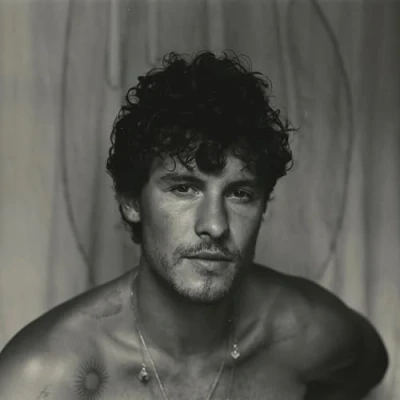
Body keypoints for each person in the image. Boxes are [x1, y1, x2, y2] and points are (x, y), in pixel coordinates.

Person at [0, 51, 388, 400]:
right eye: (184, 188)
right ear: (132, 202)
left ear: (263, 205)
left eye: (240, 194)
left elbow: (368, 370)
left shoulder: (308, 333)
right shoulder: (42, 377)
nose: (215, 225)